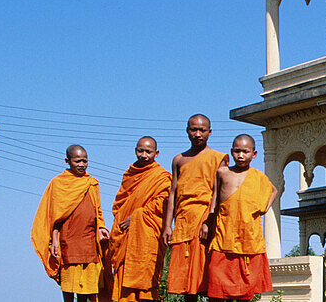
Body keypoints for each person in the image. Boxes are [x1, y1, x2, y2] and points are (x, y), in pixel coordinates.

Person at [201, 134, 277, 302]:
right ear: (231, 152)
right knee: (217, 287)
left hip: (247, 235)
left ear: (254, 154)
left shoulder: (258, 176)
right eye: (237, 151)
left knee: (245, 289)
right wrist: (207, 223)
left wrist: (263, 207)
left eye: (245, 152)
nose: (241, 155)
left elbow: (273, 191)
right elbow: (214, 200)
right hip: (224, 235)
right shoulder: (222, 172)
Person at [31, 144, 110, 302]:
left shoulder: (92, 183)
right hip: (68, 241)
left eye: (85, 161)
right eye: (77, 161)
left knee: (86, 290)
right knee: (68, 286)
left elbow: (98, 211)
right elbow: (54, 217)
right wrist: (54, 241)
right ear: (67, 161)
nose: (81, 165)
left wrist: (101, 228)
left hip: (89, 242)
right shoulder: (58, 184)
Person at [161, 114, 227, 301]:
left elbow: (217, 192)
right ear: (187, 131)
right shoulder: (178, 160)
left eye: (202, 130)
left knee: (204, 275)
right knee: (184, 279)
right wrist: (167, 226)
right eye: (193, 129)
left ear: (209, 132)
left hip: (204, 219)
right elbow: (173, 192)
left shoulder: (218, 158)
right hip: (182, 221)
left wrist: (209, 221)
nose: (197, 134)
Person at [109, 136, 171, 302]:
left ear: (156, 153)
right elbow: (119, 204)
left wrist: (136, 216)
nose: (144, 155)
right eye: (140, 150)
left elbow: (163, 204)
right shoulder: (129, 174)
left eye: (148, 151)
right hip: (125, 235)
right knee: (124, 281)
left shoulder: (161, 177)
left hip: (147, 234)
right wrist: (125, 219)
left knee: (147, 280)